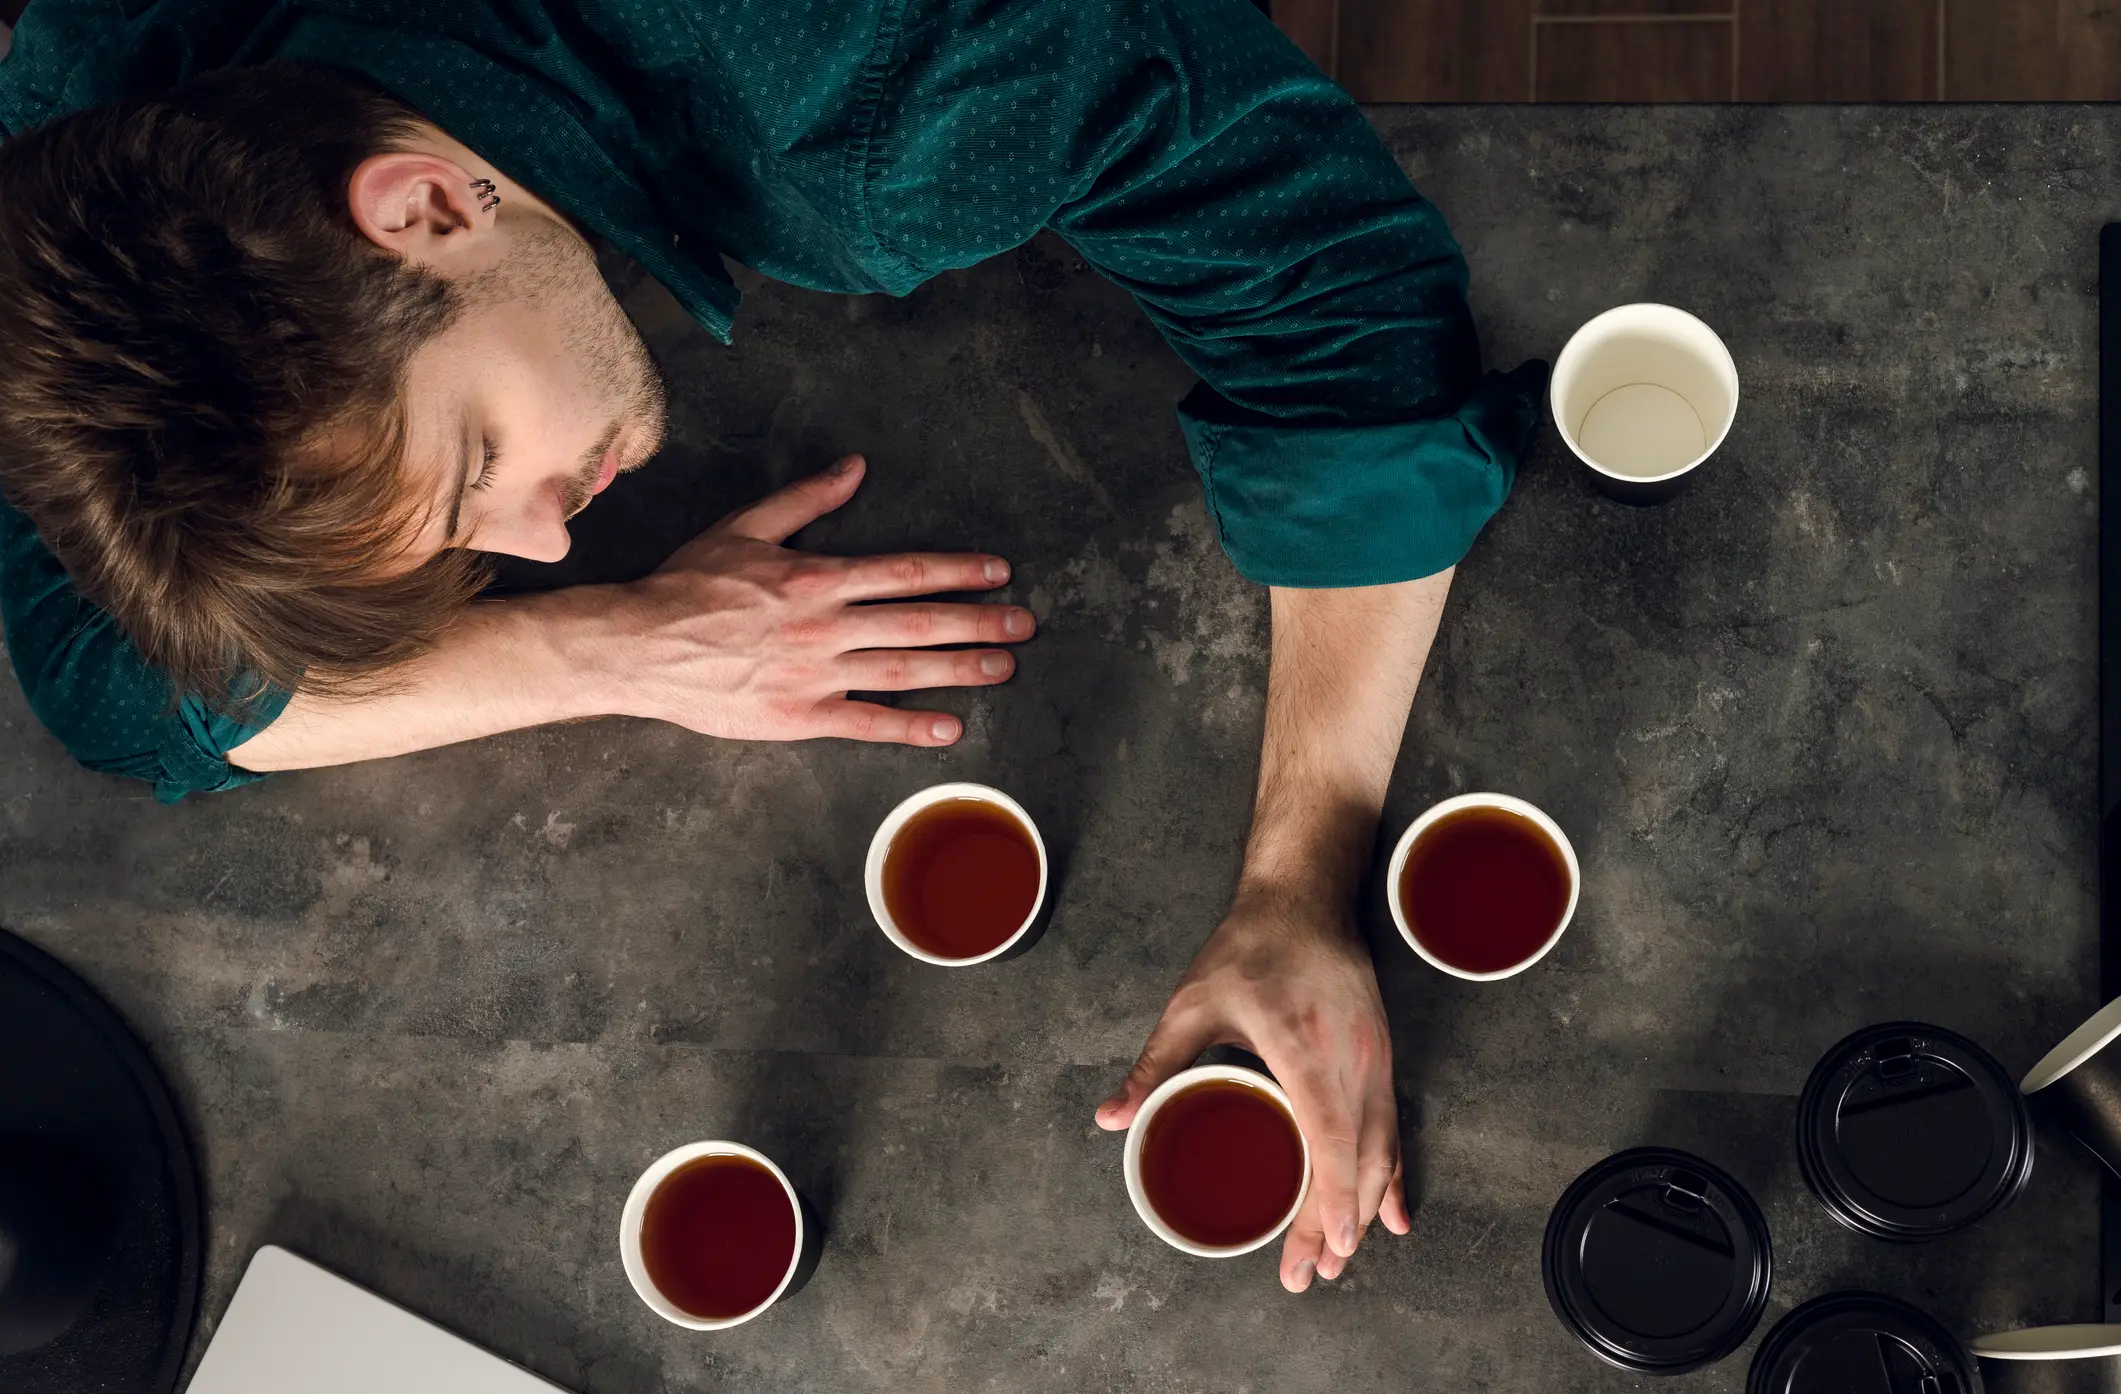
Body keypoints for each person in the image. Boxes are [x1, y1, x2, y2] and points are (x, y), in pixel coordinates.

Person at [0, 0, 1541, 1292]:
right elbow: (121, 681)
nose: (542, 543)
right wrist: (621, 646)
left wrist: (1299, 878)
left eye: (477, 468)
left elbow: (1347, 316)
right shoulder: (101, 119)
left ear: (427, 207)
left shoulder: (888, 97)